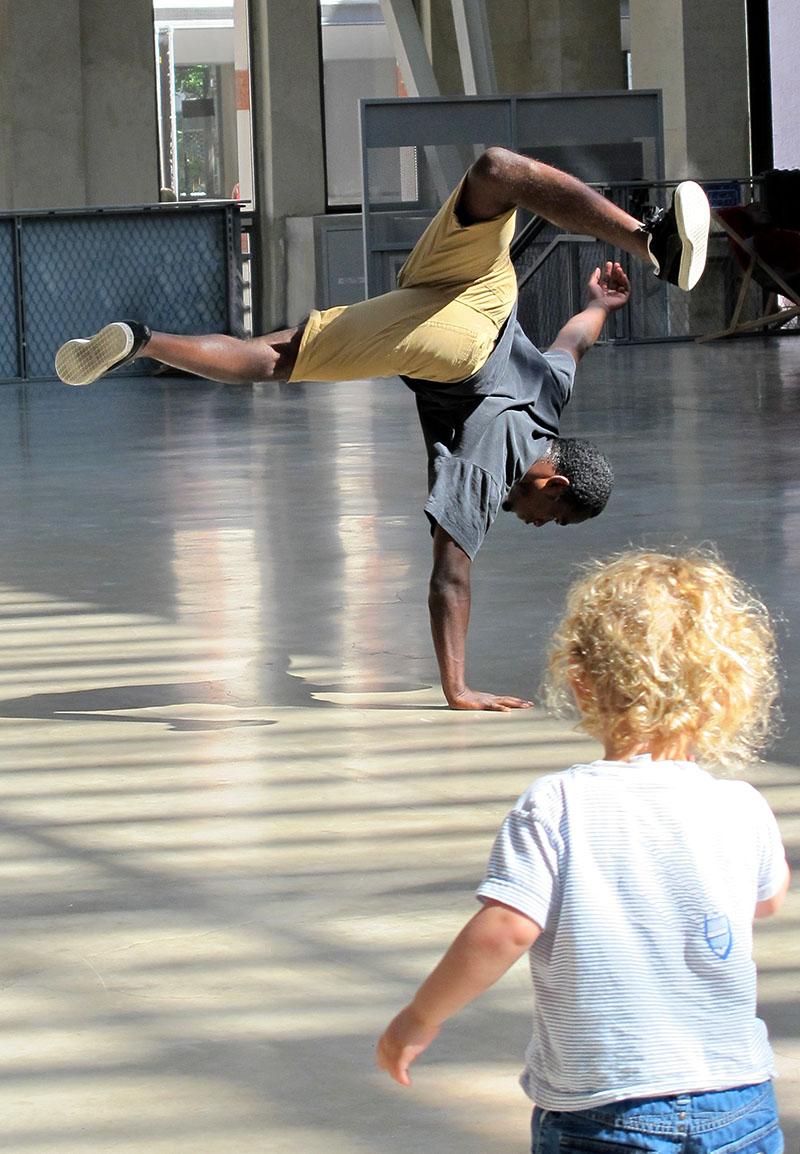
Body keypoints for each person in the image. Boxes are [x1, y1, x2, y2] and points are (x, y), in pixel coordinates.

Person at [54, 148, 711, 711]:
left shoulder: (548, 394)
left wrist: (600, 303)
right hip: (453, 344)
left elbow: (574, 341)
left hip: (478, 294)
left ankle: (648, 237)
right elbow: (449, 577)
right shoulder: (493, 461)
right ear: (555, 480)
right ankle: (143, 343)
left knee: (497, 170)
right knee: (270, 360)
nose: (537, 524)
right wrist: (457, 687)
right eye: (553, 516)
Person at [376, 548, 791, 1153]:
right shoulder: (741, 805)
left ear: (580, 679)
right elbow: (768, 898)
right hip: (739, 1098)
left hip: (607, 1108)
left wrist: (421, 1015)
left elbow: (506, 929)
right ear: (726, 690)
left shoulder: (558, 805)